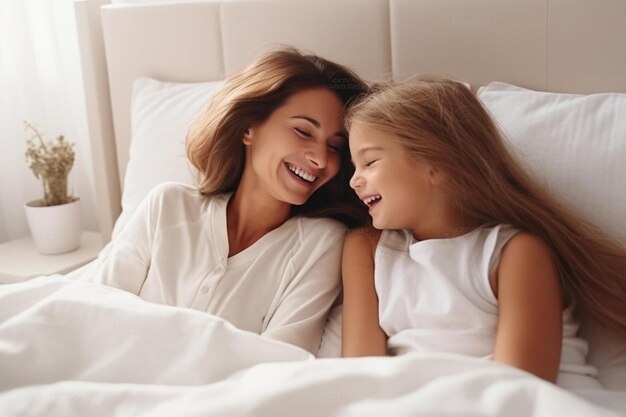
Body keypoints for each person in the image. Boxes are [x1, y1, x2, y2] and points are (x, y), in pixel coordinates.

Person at [72, 48, 369, 354]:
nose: (321, 159)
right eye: (302, 131)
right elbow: (93, 309)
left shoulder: (320, 244)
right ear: (248, 129)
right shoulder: (167, 207)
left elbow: (282, 361)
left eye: (335, 147)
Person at [340, 77, 626, 385]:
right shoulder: (367, 250)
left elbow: (520, 388)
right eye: (355, 166)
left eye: (369, 162)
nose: (354, 181)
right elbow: (358, 377)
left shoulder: (514, 252)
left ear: (436, 163)